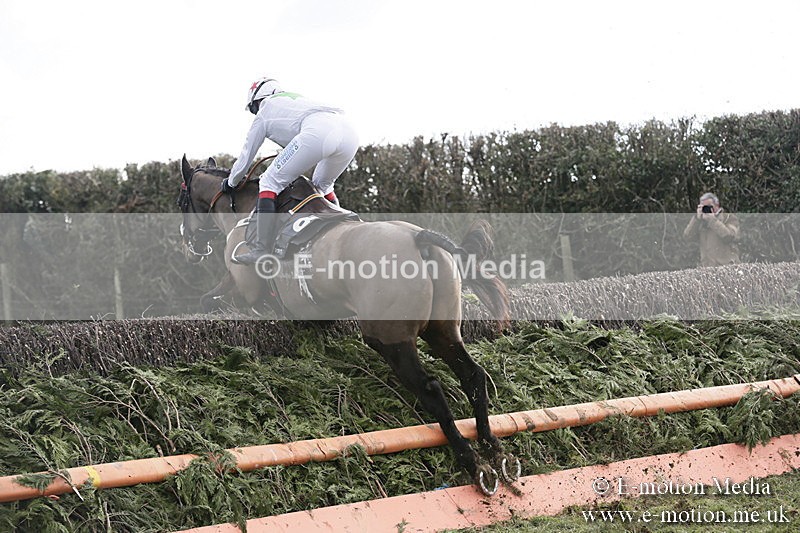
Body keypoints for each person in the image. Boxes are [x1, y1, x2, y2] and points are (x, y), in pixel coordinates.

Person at [220, 77, 359, 265]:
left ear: (258, 101)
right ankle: (345, 226)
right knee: (322, 185)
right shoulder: (293, 100)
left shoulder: (265, 111)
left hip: (319, 131)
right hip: (349, 133)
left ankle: (261, 250)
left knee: (269, 181)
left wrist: (231, 182)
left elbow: (246, 156)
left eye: (253, 109)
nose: (255, 114)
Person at [683, 192, 740, 267]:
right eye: (703, 207)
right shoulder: (700, 223)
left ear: (717, 206)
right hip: (707, 268)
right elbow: (687, 237)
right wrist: (696, 219)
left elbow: (729, 236)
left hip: (727, 266)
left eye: (709, 206)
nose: (707, 209)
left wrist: (712, 220)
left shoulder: (729, 218)